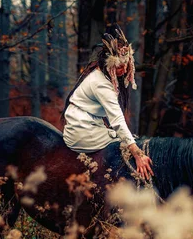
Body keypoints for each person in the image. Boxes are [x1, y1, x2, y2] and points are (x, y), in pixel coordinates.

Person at [62, 25, 154, 180]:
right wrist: (137, 154)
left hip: (88, 125)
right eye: (119, 66)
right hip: (82, 130)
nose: (124, 70)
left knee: (127, 140)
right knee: (124, 147)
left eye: (126, 65)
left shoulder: (101, 75)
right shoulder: (101, 83)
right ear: (109, 65)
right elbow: (117, 120)